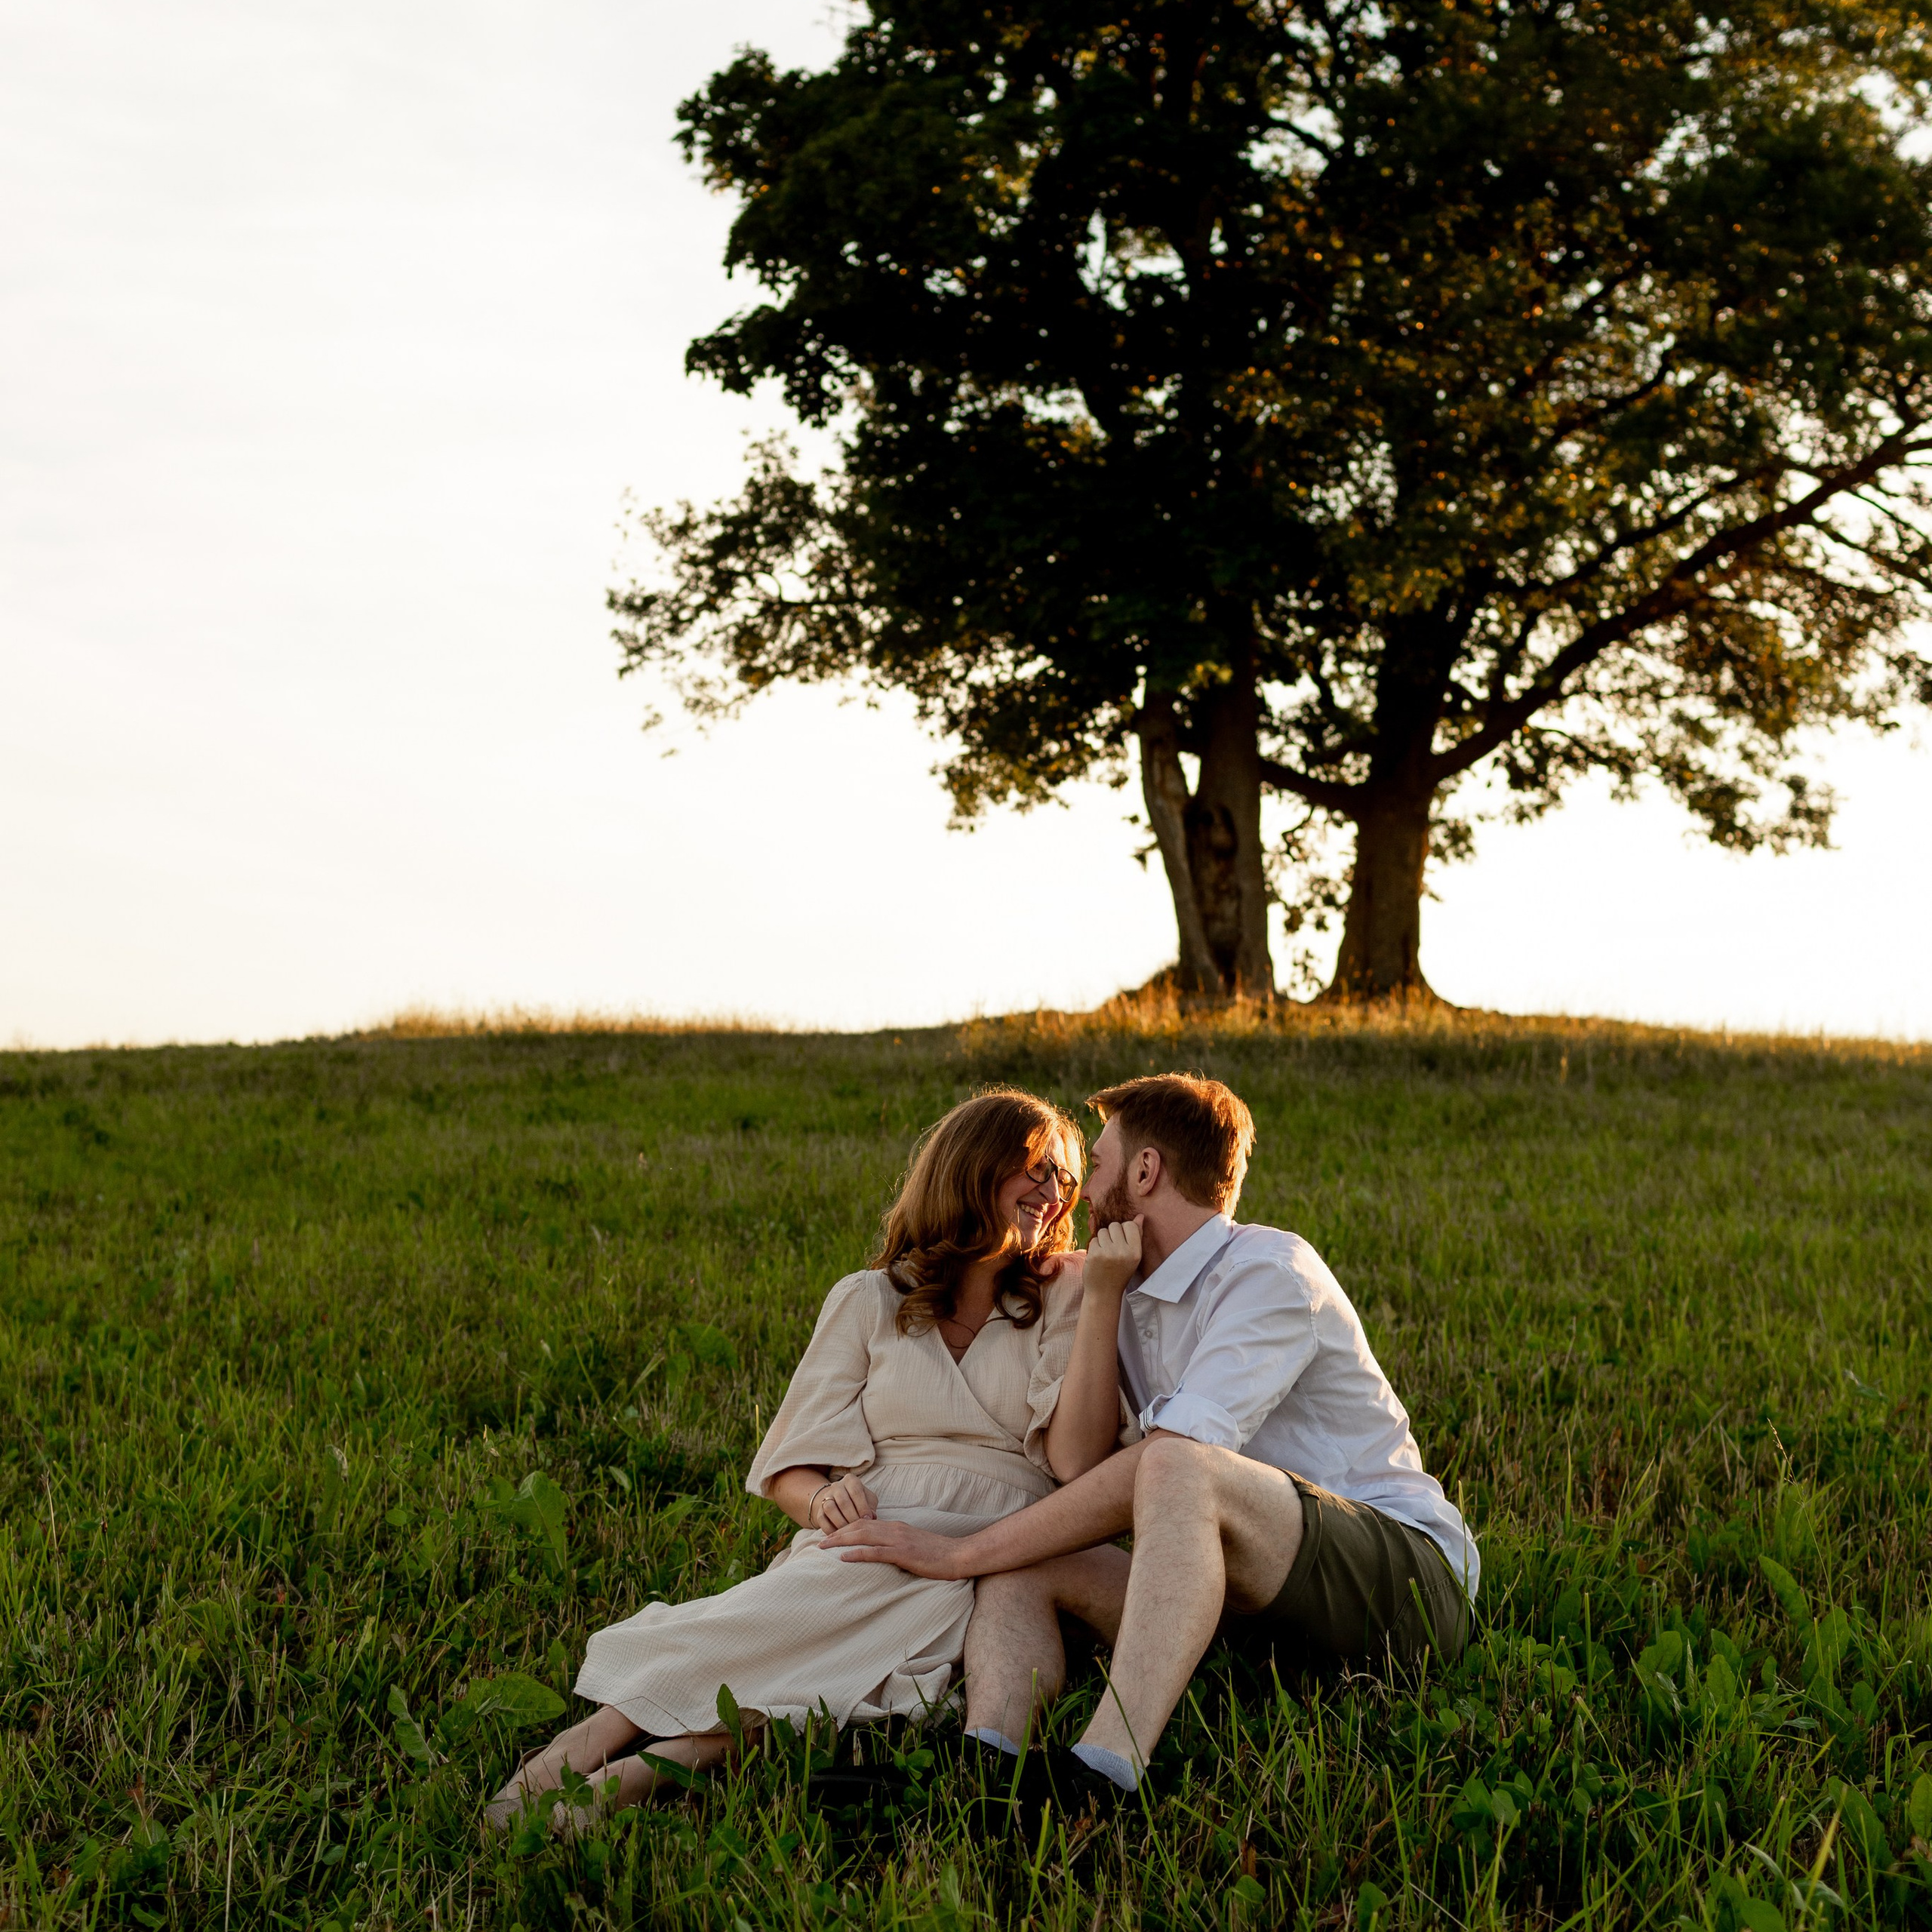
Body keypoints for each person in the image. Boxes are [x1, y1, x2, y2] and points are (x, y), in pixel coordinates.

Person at [823, 1072, 1478, 1812]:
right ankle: (985, 1766)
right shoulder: (1117, 1285)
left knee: (1175, 1458)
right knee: (1029, 1567)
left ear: (1145, 1171)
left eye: (1095, 1165)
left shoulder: (1268, 1272)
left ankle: (1103, 1775)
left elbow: (1171, 1464)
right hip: (1249, 1606)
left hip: (1401, 1594)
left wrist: (961, 1552)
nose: (1076, 1193)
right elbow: (1075, 1455)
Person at [485, 1086, 1131, 1829]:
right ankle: (593, 1738)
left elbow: (1079, 1464)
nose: (1054, 1195)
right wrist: (823, 1500)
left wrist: (1106, 1297)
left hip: (993, 1541)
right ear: (972, 1167)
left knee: (856, 1642)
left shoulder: (1070, 1292)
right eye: (1037, 1170)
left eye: (1066, 1179)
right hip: (871, 1525)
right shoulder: (868, 1299)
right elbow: (792, 1467)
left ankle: (643, 1768)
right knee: (793, 1608)